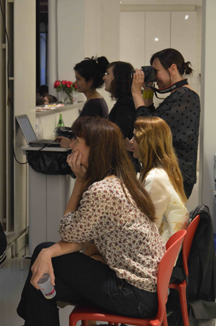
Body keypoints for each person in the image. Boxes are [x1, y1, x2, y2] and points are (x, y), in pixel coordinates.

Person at [17, 116, 166, 325]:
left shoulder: (102, 190)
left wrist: (80, 181)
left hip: (134, 296)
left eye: (77, 140)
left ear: (94, 149)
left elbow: (67, 231)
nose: (72, 145)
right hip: (144, 292)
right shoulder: (121, 180)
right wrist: (47, 253)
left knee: (43, 262)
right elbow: (86, 235)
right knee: (42, 282)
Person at [132, 48, 200, 198]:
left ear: (173, 69)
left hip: (177, 175)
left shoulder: (186, 96)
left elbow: (149, 128)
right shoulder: (178, 95)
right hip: (172, 174)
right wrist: (148, 90)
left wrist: (136, 93)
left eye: (156, 71)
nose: (155, 77)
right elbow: (153, 117)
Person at [129, 116, 189, 244]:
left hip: (157, 251)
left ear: (146, 142)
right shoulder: (162, 172)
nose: (130, 141)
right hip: (161, 246)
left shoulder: (156, 177)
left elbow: (149, 228)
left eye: (135, 137)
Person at [58, 56, 109, 148]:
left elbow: (89, 141)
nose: (75, 82)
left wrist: (69, 144)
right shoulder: (97, 100)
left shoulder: (93, 104)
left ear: (89, 81)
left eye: (78, 79)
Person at [103, 61, 140, 172]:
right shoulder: (125, 100)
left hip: (123, 166)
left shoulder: (125, 103)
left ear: (118, 77)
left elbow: (119, 132)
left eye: (108, 74)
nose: (104, 78)